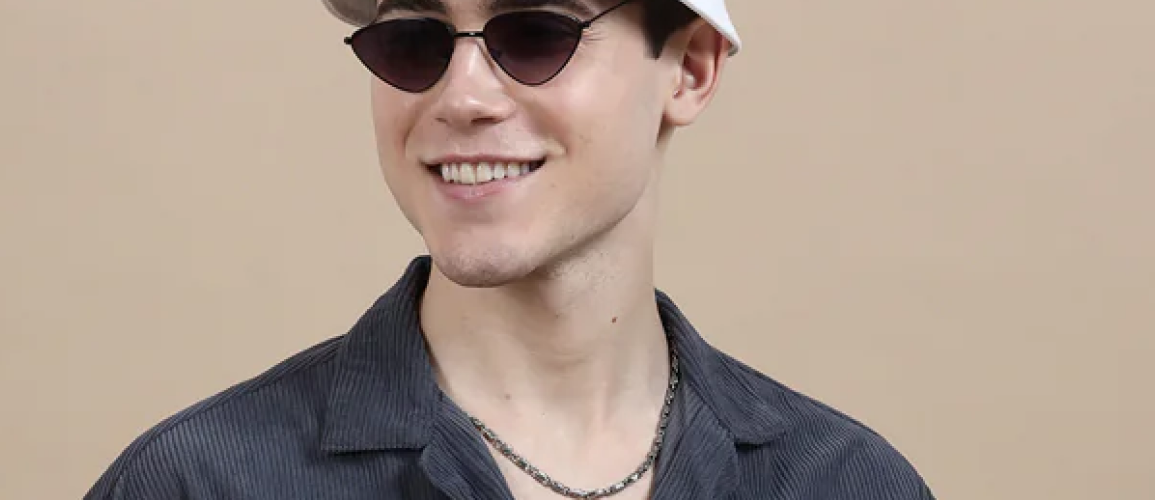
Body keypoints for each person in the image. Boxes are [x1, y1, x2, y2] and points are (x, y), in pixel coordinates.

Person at [83, 0, 935, 498]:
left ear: (690, 69)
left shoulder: (844, 484)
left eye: (535, 34)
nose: (463, 97)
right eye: (412, 39)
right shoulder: (202, 485)